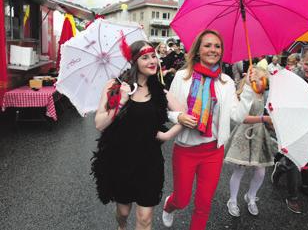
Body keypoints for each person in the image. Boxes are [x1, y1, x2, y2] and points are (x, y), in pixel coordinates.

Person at [161, 29, 259, 230]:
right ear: (198, 50)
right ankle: (169, 205)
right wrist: (178, 116)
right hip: (185, 150)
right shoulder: (182, 77)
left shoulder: (226, 82)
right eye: (208, 45)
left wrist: (248, 89)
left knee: (204, 205)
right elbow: (166, 110)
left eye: (217, 46)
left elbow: (237, 117)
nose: (213, 50)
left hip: (213, 151)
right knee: (182, 200)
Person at [91, 40, 184, 230]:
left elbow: (186, 116)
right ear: (134, 61)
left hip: (149, 162)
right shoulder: (115, 86)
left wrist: (167, 136)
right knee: (123, 212)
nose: (152, 61)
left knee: (144, 218)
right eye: (145, 57)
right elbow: (99, 124)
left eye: (153, 56)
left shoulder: (160, 91)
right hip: (121, 161)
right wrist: (120, 103)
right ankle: (121, 226)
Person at [271, 49, 308, 214]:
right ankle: (292, 197)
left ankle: (280, 168)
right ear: (301, 63)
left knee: (302, 158)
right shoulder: (293, 80)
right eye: (306, 64)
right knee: (294, 162)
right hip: (292, 126)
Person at [225, 67, 277, 217]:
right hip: (244, 134)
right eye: (259, 78)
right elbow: (243, 118)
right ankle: (232, 200)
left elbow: (267, 116)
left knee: (260, 172)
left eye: (263, 79)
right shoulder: (244, 94)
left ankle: (251, 196)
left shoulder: (265, 96)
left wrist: (271, 123)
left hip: (259, 136)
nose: (262, 82)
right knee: (239, 170)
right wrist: (264, 119)